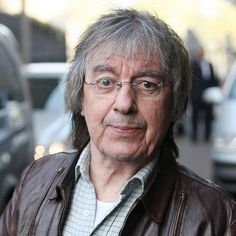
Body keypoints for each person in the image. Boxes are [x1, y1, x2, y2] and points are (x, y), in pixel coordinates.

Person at [0, 9, 235, 236]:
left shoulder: (215, 218)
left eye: (147, 85)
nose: (124, 104)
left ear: (173, 104)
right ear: (81, 99)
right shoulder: (35, 180)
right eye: (105, 82)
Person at [190, 46, 219, 142]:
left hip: (208, 95)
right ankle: (194, 136)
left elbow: (213, 79)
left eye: (201, 52)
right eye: (199, 52)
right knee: (195, 116)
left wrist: (215, 91)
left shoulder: (209, 64)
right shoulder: (192, 64)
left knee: (208, 116)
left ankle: (207, 136)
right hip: (196, 95)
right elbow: (191, 80)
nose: (200, 54)